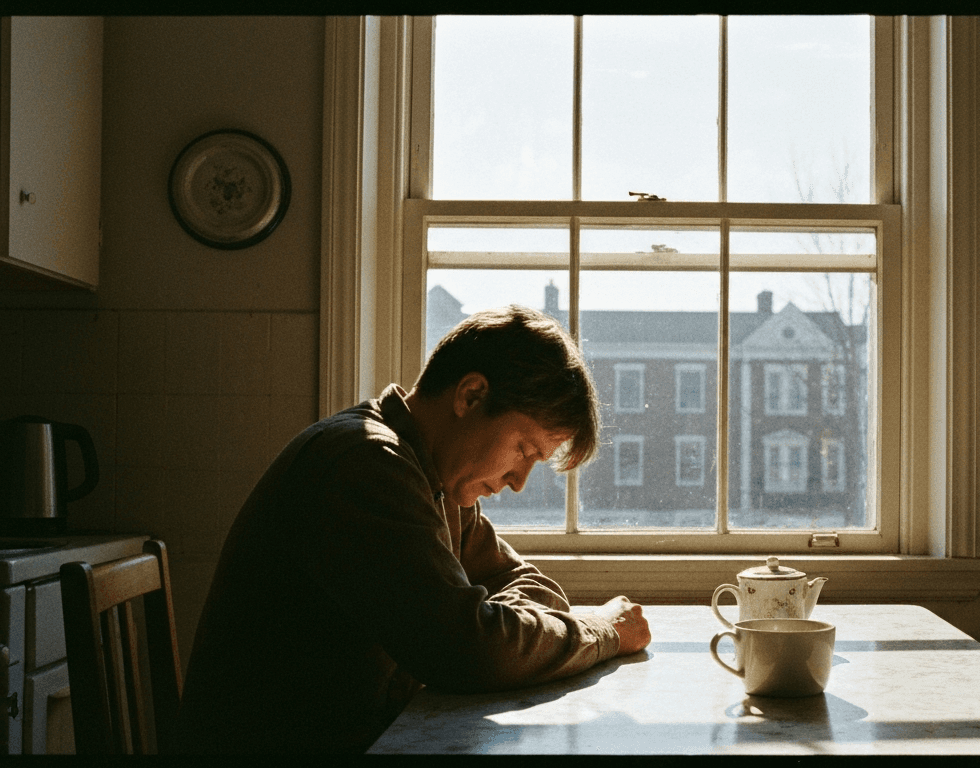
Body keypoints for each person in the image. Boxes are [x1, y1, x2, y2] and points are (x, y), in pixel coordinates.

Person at [173, 305, 651, 754]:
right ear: (471, 395)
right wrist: (600, 631)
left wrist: (496, 632)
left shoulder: (435, 479)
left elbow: (529, 587)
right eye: (524, 448)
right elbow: (467, 651)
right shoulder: (366, 463)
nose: (519, 482)